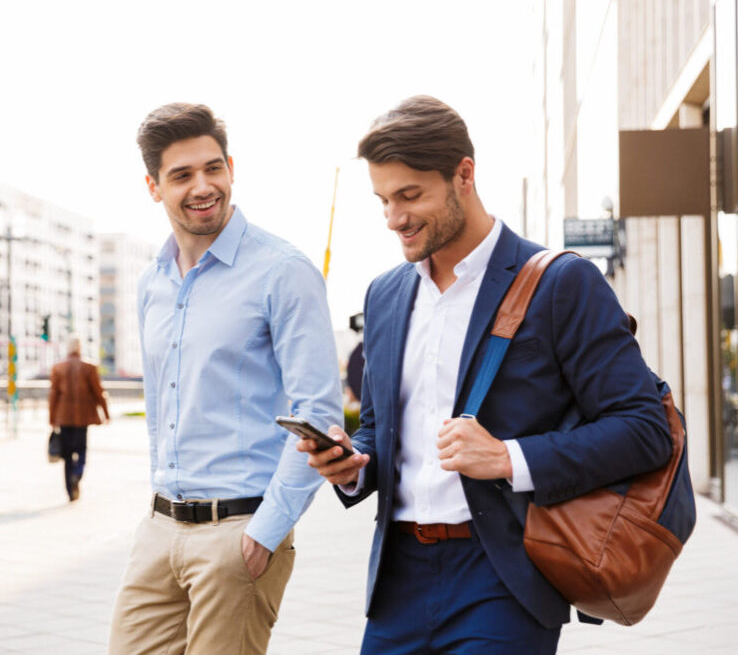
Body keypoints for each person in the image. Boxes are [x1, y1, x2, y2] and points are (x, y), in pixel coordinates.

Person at [298, 96, 673, 654]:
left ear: (464, 175)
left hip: (503, 579)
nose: (394, 218)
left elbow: (646, 429)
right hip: (397, 582)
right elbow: (379, 428)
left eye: (409, 195)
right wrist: (351, 465)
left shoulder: (560, 284)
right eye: (382, 200)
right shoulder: (385, 295)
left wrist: (508, 458)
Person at [108, 103, 342, 654]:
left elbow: (318, 413)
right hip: (160, 527)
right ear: (153, 186)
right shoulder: (153, 283)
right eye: (182, 175)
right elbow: (162, 403)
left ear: (231, 168)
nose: (203, 185)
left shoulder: (282, 270)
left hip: (239, 529)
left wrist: (265, 531)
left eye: (213, 168)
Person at [48, 336, 110, 501]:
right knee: (82, 450)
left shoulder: (58, 367)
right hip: (84, 417)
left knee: (67, 454)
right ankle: (78, 473)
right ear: (79, 348)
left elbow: (53, 394)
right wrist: (106, 413)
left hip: (64, 417)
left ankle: (70, 491)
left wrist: (52, 417)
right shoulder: (89, 367)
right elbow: (98, 392)